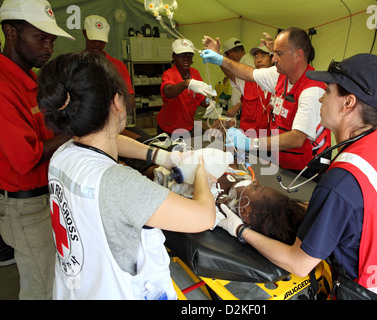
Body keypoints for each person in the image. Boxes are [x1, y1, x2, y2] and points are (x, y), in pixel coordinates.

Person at [217, 53, 377, 300]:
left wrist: (239, 229)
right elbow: (361, 210)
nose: (321, 96)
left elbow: (298, 264)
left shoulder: (342, 178)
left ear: (348, 103)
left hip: (371, 292)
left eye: (328, 91)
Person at [37, 52, 216, 299]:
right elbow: (204, 217)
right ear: (117, 103)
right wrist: (201, 173)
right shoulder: (117, 183)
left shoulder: (63, 154)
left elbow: (108, 140)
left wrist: (162, 157)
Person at [0, 0, 75, 299]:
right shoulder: (3, 85)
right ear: (11, 32)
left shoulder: (30, 77)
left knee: (54, 278)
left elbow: (48, 129)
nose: (48, 47)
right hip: (25, 206)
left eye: (51, 40)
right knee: (41, 286)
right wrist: (77, 129)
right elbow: (25, 157)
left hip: (46, 197)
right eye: (40, 38)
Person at [202, 28, 331, 177]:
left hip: (307, 168)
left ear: (298, 55)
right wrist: (220, 59)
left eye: (279, 54)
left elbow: (297, 138)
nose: (274, 59)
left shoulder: (312, 90)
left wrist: (251, 143)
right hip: (282, 161)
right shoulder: (280, 75)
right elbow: (249, 73)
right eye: (274, 53)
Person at [153, 164, 306, 245]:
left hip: (164, 175)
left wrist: (200, 177)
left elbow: (199, 211)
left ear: (245, 212)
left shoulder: (218, 212)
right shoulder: (243, 184)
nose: (256, 181)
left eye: (257, 187)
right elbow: (232, 168)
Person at [209, 43, 273, 137]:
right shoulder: (247, 81)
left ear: (273, 59)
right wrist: (219, 58)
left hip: (270, 140)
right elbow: (230, 73)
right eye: (255, 57)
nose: (258, 60)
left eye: (263, 56)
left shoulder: (280, 82)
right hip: (248, 138)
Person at [157, 38, 216, 138]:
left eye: (189, 55)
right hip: (168, 127)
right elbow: (168, 92)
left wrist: (210, 104)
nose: (186, 58)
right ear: (173, 56)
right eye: (181, 55)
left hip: (187, 126)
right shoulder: (169, 74)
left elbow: (201, 98)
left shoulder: (194, 73)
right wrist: (186, 83)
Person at [82, 15, 135, 107]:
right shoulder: (75, 63)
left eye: (101, 40)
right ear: (84, 33)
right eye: (93, 39)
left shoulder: (118, 66)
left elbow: (130, 101)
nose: (97, 44)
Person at [221, 37, 255, 115]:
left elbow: (254, 94)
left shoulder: (247, 66)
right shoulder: (246, 62)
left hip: (246, 112)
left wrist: (237, 107)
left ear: (230, 53)